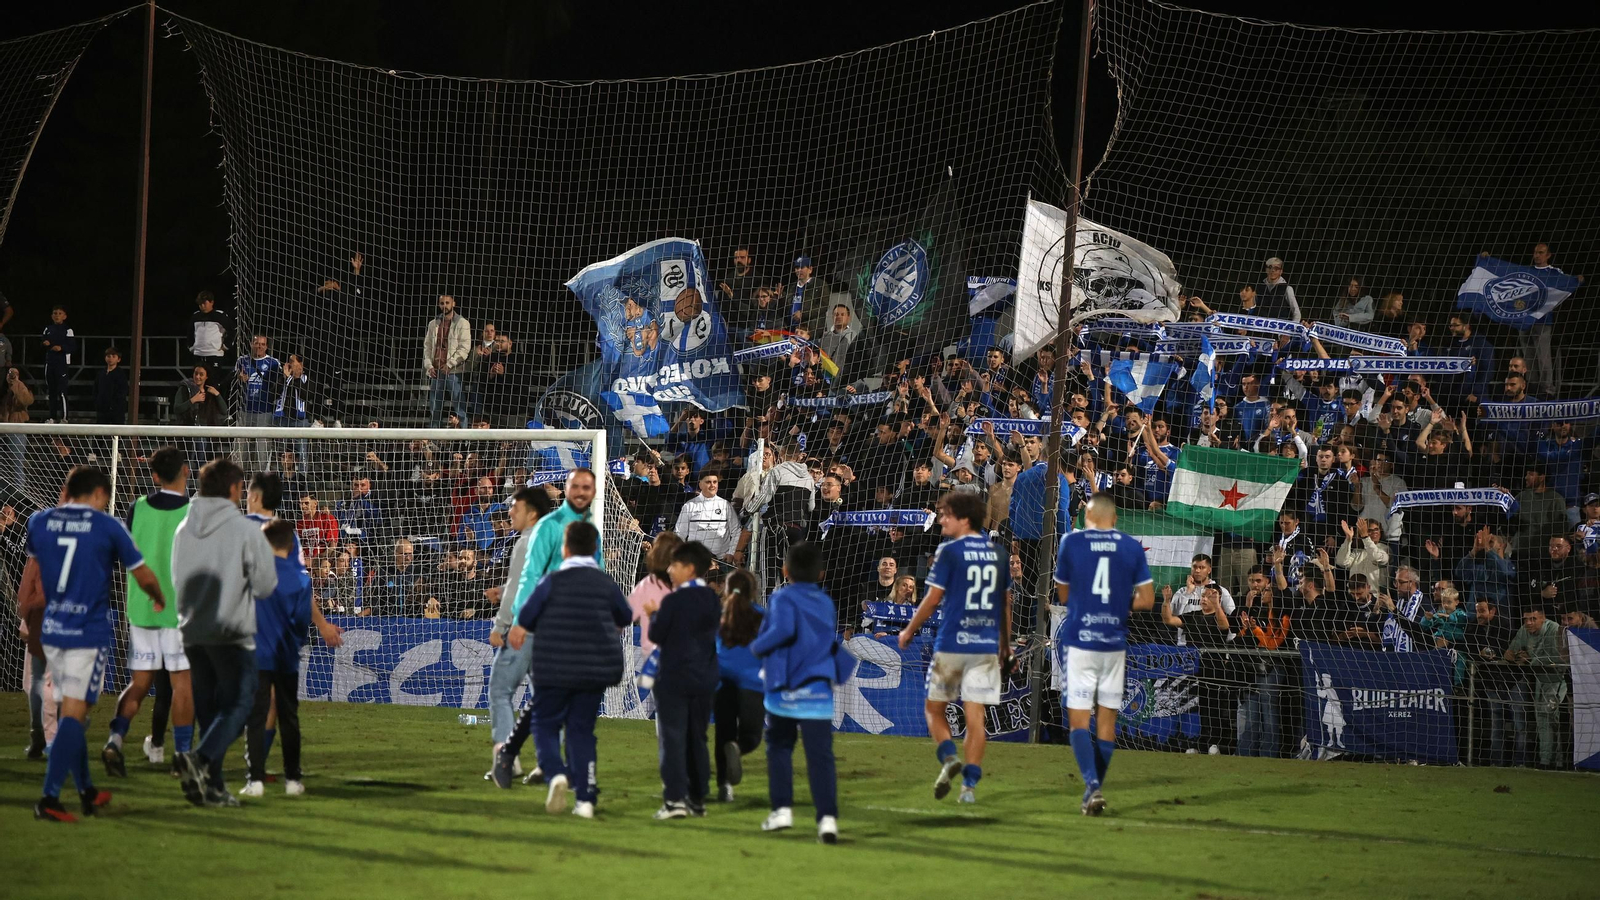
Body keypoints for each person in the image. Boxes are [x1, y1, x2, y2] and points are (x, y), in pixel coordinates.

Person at [28, 466, 165, 822]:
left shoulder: (38, 522)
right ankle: (49, 798)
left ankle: (87, 790)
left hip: (53, 630)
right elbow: (142, 572)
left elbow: (45, 559)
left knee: (69, 710)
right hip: (86, 634)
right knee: (76, 716)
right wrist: (158, 596)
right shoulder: (107, 526)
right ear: (101, 493)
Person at [170, 457, 279, 808]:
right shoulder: (247, 530)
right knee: (241, 704)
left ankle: (214, 787)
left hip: (191, 631)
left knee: (210, 713)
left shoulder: (183, 527)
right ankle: (199, 761)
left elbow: (176, 579)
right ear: (234, 489)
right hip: (230, 632)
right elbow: (265, 586)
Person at [508, 521, 633, 819]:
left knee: (545, 723)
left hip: (554, 665)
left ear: (565, 548)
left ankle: (556, 774)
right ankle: (586, 801)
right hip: (593, 668)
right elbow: (626, 615)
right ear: (594, 549)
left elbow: (525, 615)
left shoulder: (552, 581)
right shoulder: (605, 583)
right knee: (582, 731)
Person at [898, 491, 1011, 804]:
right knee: (976, 717)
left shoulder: (949, 551)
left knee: (934, 708)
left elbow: (932, 599)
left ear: (964, 519)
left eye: (946, 514)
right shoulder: (998, 553)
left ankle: (949, 757)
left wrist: (909, 629)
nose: (942, 519)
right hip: (986, 645)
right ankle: (969, 787)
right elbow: (1005, 602)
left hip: (952, 643)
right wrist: (1006, 645)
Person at [1053, 492, 1157, 816]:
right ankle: (1093, 789)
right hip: (1114, 644)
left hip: (1081, 641)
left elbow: (1063, 594)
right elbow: (1148, 600)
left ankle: (1092, 786)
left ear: (1088, 516)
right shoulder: (1131, 547)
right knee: (1107, 724)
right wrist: (1117, 605)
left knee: (1079, 721)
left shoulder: (1072, 543)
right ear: (1114, 519)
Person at [498, 468, 603, 778]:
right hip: (550, 623)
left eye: (587, 487)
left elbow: (598, 575)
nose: (582, 492)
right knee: (551, 695)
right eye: (576, 487)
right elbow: (529, 575)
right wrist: (520, 619)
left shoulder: (592, 530)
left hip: (581, 625)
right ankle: (527, 757)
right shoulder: (549, 526)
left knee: (563, 696)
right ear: (566, 490)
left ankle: (546, 762)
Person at [748, 540, 851, 844]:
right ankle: (828, 820)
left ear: (785, 570)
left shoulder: (782, 597)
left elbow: (781, 631)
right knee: (821, 756)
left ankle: (781, 811)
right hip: (818, 687)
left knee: (779, 747)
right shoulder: (825, 602)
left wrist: (756, 647)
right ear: (820, 574)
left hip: (786, 686)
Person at [102, 448, 195, 779]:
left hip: (141, 609)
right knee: (182, 683)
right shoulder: (193, 511)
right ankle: (182, 754)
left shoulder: (136, 508)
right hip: (179, 611)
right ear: (186, 471)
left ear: (154, 476)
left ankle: (115, 739)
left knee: (140, 682)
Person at [641, 541, 722, 820]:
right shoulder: (712, 599)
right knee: (697, 737)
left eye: (674, 565)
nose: (670, 570)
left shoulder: (674, 600)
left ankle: (674, 800)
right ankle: (698, 798)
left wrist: (654, 616)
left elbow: (658, 635)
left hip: (675, 677)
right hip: (705, 677)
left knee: (672, 738)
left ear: (688, 568)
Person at [484, 487, 549, 788]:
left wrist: (500, 625)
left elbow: (517, 589)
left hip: (525, 628)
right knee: (545, 698)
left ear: (532, 512)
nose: (510, 512)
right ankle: (549, 763)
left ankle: (505, 759)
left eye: (515, 507)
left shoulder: (526, 540)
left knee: (500, 690)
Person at [242, 519, 311, 797]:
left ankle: (255, 780)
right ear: (291, 544)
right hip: (287, 658)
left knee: (256, 717)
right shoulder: (301, 580)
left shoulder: (253, 574)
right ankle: (293, 780)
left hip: (257, 656)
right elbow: (303, 624)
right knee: (288, 717)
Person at [713, 568, 765, 802]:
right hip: (752, 684)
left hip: (722, 682)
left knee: (723, 733)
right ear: (753, 591)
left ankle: (724, 787)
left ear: (726, 588)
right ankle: (739, 748)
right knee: (751, 736)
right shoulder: (763, 616)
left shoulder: (718, 614)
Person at [1504, 607, 1566, 769]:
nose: (1529, 623)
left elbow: (1558, 658)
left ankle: (1558, 763)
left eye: (1533, 619)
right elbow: (1509, 652)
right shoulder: (1524, 631)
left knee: (1553, 719)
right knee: (1542, 720)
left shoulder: (1555, 630)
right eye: (1526, 619)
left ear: (1543, 619)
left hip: (1560, 680)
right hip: (1539, 680)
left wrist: (1530, 658)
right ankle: (1545, 762)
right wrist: (1514, 655)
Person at [423, 293, 472, 428]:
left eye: (447, 303)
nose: (444, 306)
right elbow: (427, 346)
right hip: (436, 371)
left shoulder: (462, 323)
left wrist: (450, 364)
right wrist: (428, 366)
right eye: (442, 303)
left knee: (460, 409)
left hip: (454, 372)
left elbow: (465, 348)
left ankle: (464, 442)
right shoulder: (433, 324)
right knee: (434, 409)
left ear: (453, 303)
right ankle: (434, 441)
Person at [235, 335, 282, 473]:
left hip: (264, 411)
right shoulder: (242, 360)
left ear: (266, 346)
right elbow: (232, 380)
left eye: (262, 344)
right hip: (244, 410)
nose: (259, 346)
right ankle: (239, 477)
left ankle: (261, 477)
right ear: (251, 344)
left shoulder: (273, 363)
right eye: (256, 343)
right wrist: (239, 378)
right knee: (241, 448)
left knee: (262, 448)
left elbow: (279, 386)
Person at [41, 304, 76, 422]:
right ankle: (52, 417)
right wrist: (46, 344)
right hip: (50, 363)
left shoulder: (68, 330)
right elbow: (43, 342)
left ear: (64, 316)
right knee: (51, 392)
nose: (57, 316)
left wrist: (61, 348)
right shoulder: (48, 329)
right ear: (52, 316)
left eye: (60, 313)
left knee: (61, 391)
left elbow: (72, 346)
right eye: (55, 313)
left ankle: (65, 417)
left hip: (62, 363)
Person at [93, 346, 128, 425]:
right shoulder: (101, 373)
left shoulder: (120, 374)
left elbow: (122, 391)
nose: (110, 358)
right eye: (108, 356)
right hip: (102, 409)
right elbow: (95, 389)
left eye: (113, 356)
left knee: (116, 432)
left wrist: (114, 405)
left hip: (116, 410)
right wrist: (97, 403)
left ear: (118, 359)